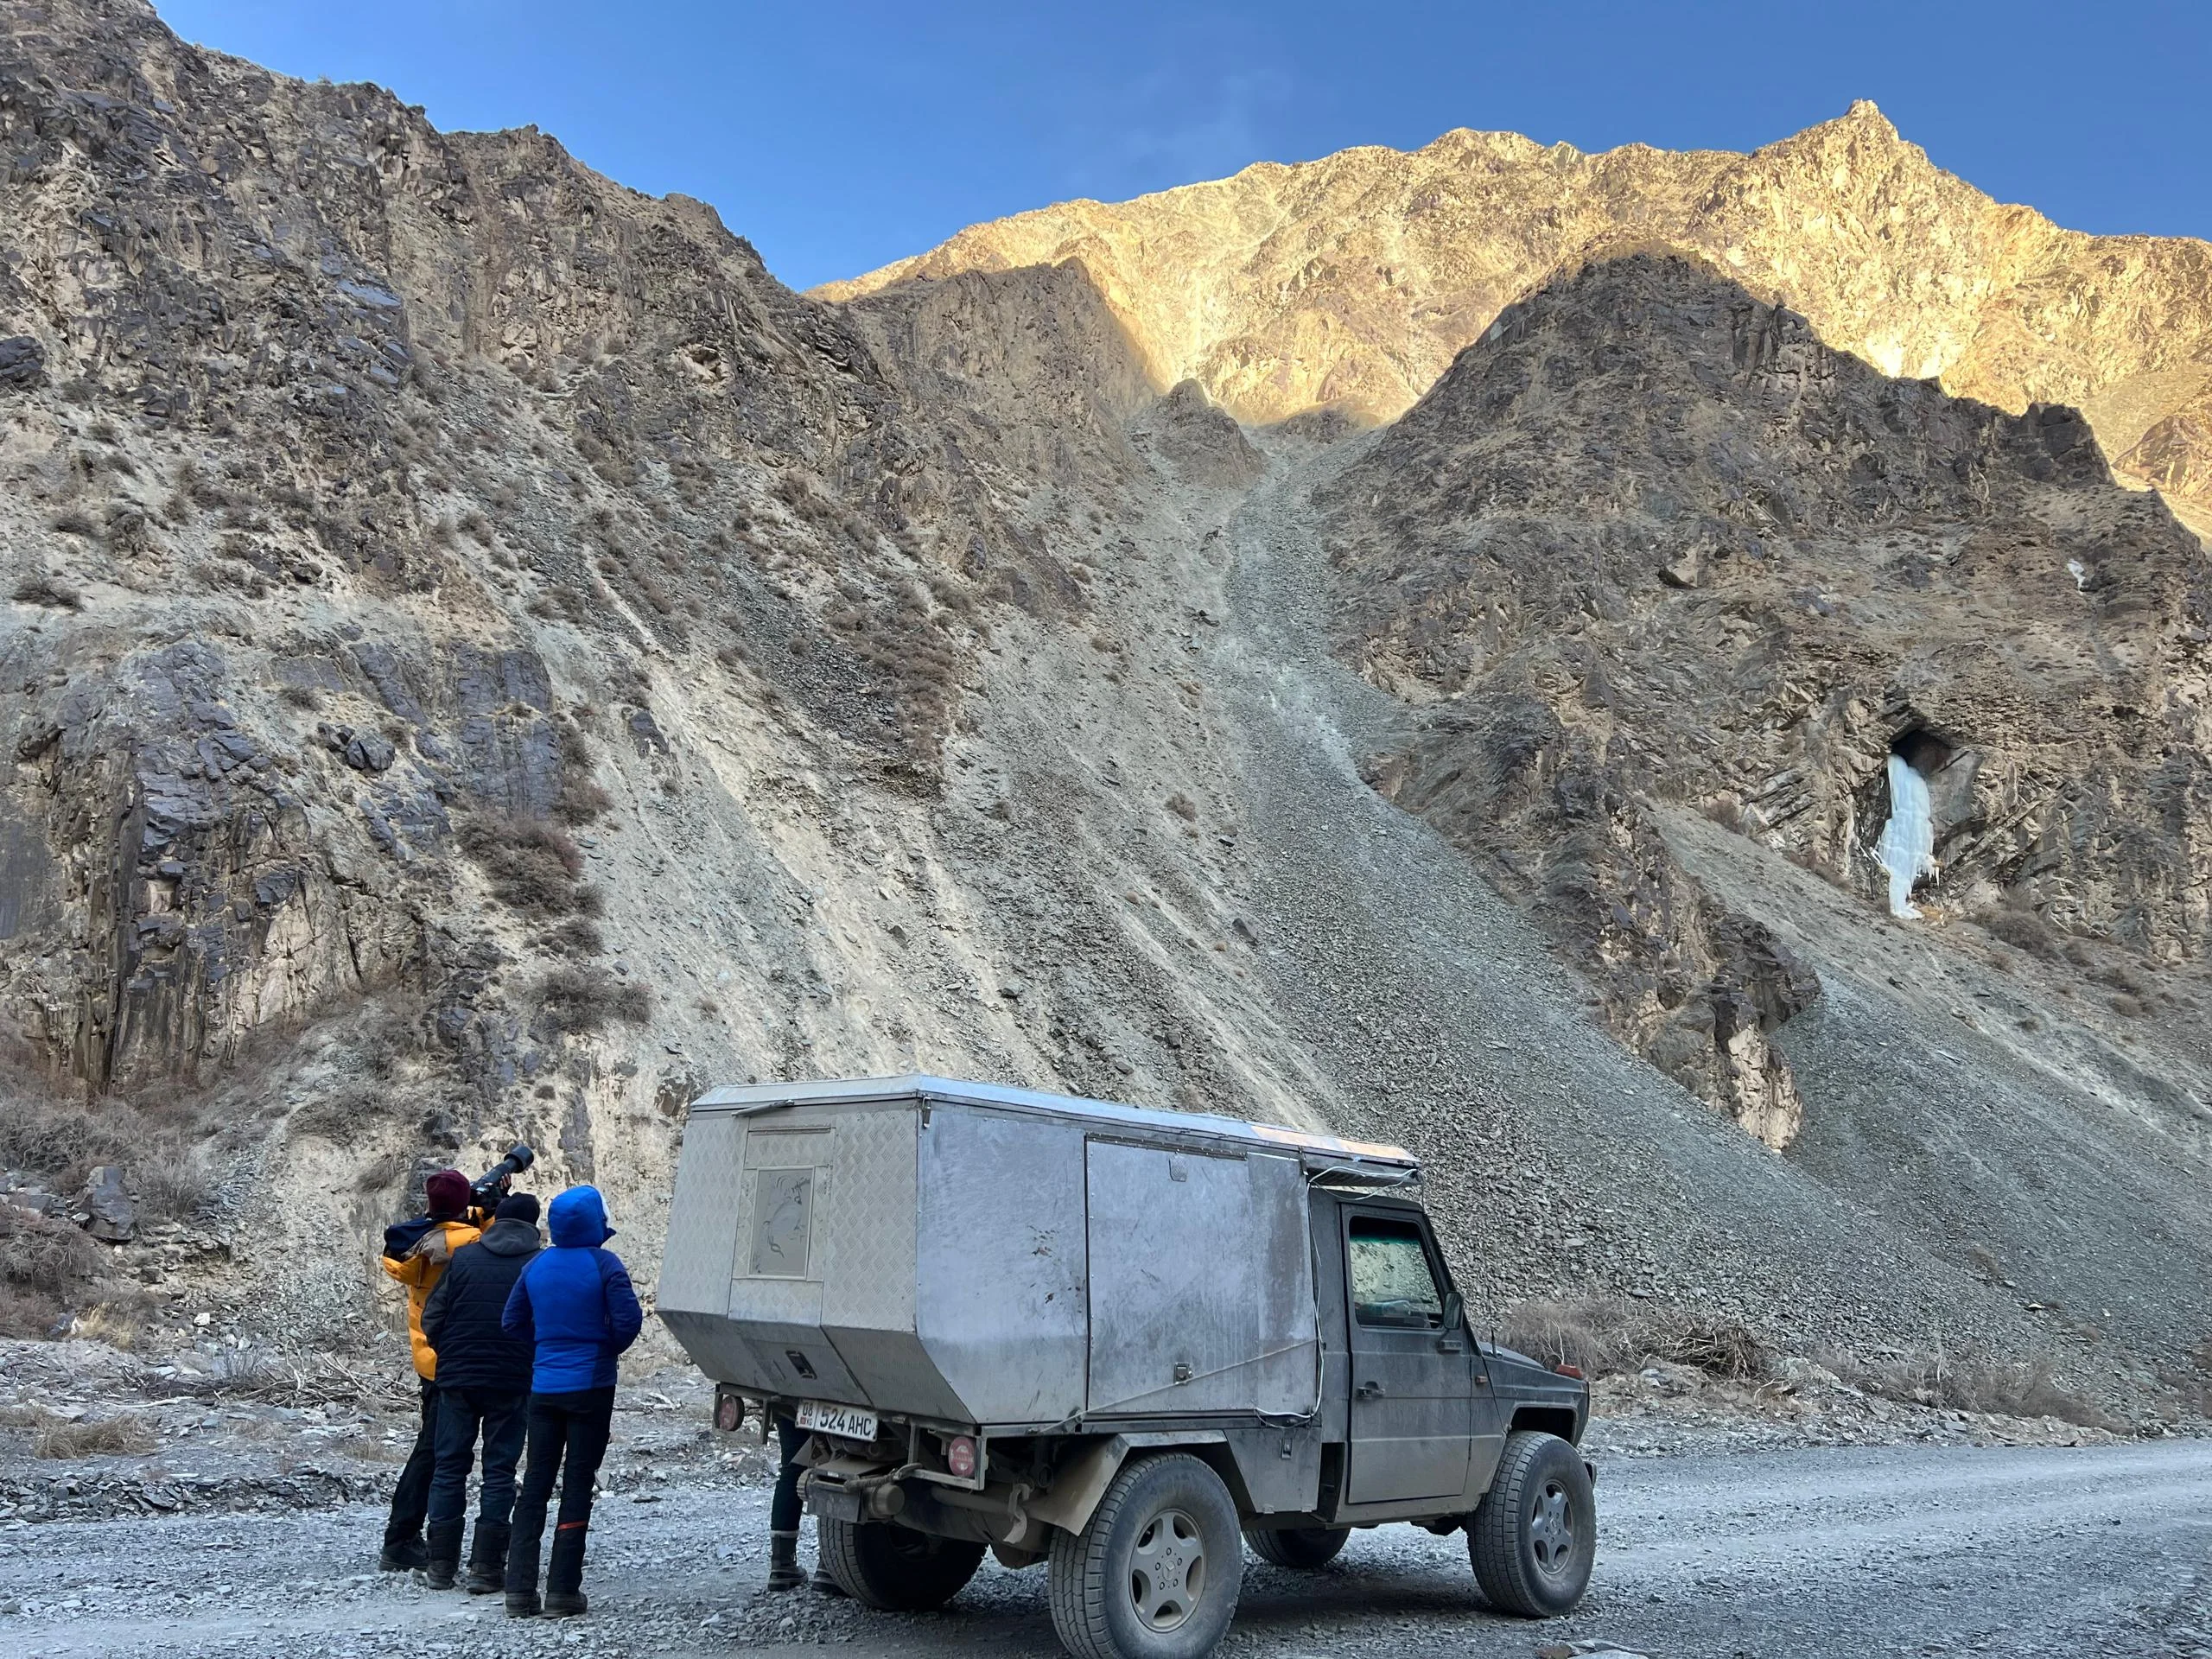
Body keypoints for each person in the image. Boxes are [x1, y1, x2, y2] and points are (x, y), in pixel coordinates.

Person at [500, 1185, 643, 1619]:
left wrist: (545, 1348)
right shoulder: (605, 1265)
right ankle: (563, 1590)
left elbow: (512, 1322)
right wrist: (602, 1349)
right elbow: (628, 1323)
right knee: (578, 1484)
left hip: (544, 1390)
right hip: (591, 1388)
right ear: (595, 1222)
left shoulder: (536, 1264)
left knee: (535, 1487)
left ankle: (519, 1591)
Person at [419, 1192, 543, 1592]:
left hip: (457, 1378)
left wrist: (450, 1355)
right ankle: (486, 1568)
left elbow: (432, 1317)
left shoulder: (465, 1258)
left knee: (449, 1466)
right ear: (534, 1225)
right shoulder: (538, 1264)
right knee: (499, 1472)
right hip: (513, 1380)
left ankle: (440, 1565)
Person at [378, 1168, 480, 1571]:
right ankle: (402, 1538)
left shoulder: (419, 1244)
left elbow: (436, 1232)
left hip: (428, 1357)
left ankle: (414, 1538)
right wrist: (491, 1211)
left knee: (435, 1449)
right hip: (459, 1359)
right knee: (434, 1452)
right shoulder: (469, 1242)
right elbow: (496, 1243)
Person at [767, 1415, 844, 1595]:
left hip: (789, 1395)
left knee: (792, 1466)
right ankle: (829, 1567)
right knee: (839, 1464)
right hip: (835, 1398)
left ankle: (781, 1565)